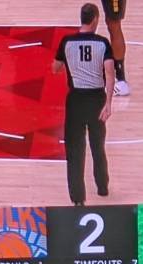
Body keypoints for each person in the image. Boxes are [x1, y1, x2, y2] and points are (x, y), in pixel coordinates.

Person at [53, 4, 116, 206]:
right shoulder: (103, 43)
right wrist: (108, 103)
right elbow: (110, 74)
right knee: (98, 146)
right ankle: (103, 187)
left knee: (75, 150)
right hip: (96, 99)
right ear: (96, 19)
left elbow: (55, 68)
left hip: (76, 100)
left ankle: (78, 199)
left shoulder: (67, 42)